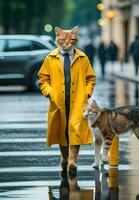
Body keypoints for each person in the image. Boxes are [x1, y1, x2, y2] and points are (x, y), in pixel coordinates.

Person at [37, 26, 96, 174]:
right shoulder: (50, 58)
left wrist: (87, 94)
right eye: (63, 40)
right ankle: (64, 157)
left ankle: (72, 160)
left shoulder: (83, 57)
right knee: (62, 130)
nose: (68, 43)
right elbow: (43, 79)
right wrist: (50, 93)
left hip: (78, 101)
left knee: (75, 130)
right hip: (58, 102)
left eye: (71, 40)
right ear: (58, 38)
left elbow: (91, 78)